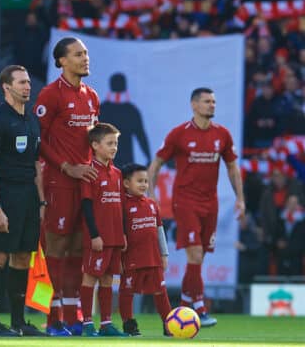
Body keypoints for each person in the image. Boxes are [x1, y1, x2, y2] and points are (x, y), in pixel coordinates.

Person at [147, 87, 245, 327]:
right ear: (194, 105)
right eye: (207, 101)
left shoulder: (222, 135)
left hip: (210, 203)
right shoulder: (179, 134)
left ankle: (183, 305)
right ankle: (200, 308)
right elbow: (156, 164)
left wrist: (240, 198)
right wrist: (151, 195)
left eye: (214, 101)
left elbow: (232, 168)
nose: (212, 105)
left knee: (197, 261)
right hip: (185, 201)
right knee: (195, 254)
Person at [33, 36, 99, 336]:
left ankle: (74, 316)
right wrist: (65, 166)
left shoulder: (92, 96)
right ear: (61, 61)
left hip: (85, 184)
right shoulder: (50, 95)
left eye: (85, 53)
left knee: (76, 248)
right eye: (77, 54)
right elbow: (39, 141)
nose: (85, 58)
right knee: (55, 248)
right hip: (59, 181)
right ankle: (51, 318)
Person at [0, 65, 46, 337]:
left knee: (22, 258)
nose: (27, 87)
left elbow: (36, 164)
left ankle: (18, 323)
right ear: (6, 87)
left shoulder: (31, 120)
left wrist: (41, 203)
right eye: (21, 82)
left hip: (28, 198)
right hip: (5, 196)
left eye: (28, 82)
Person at [78, 123, 127, 337]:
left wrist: (123, 233)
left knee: (108, 279)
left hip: (115, 237)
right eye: (109, 143)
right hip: (97, 237)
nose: (114, 147)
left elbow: (120, 206)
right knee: (90, 278)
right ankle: (87, 323)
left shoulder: (117, 173)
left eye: (115, 143)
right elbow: (86, 205)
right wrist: (95, 235)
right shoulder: (90, 172)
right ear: (95, 145)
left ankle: (106, 324)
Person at [118, 163, 172, 337]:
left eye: (146, 181)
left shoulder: (151, 204)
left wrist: (164, 254)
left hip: (153, 258)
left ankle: (168, 323)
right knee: (127, 292)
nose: (144, 185)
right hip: (131, 259)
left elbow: (159, 231)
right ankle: (129, 324)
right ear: (126, 183)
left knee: (160, 291)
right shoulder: (122, 205)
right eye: (139, 181)